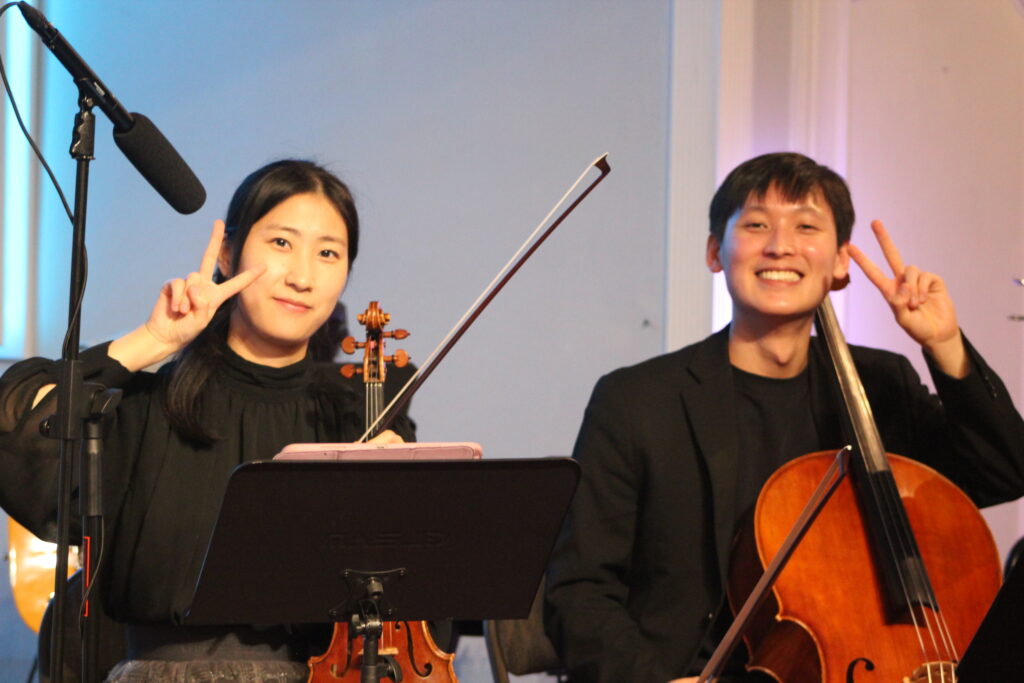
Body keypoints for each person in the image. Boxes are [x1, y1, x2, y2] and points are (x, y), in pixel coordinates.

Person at [543, 152, 1024, 683]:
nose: (780, 245)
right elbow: (579, 591)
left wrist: (944, 343)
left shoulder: (882, 386)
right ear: (715, 252)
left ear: (840, 262)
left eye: (806, 226)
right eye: (755, 225)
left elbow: (1003, 472)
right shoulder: (636, 401)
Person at [0, 159, 414, 681]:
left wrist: (403, 501)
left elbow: (415, 603)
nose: (302, 277)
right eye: (281, 243)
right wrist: (153, 340)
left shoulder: (363, 414)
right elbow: (13, 422)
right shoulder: (147, 406)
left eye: (328, 253)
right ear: (227, 254)